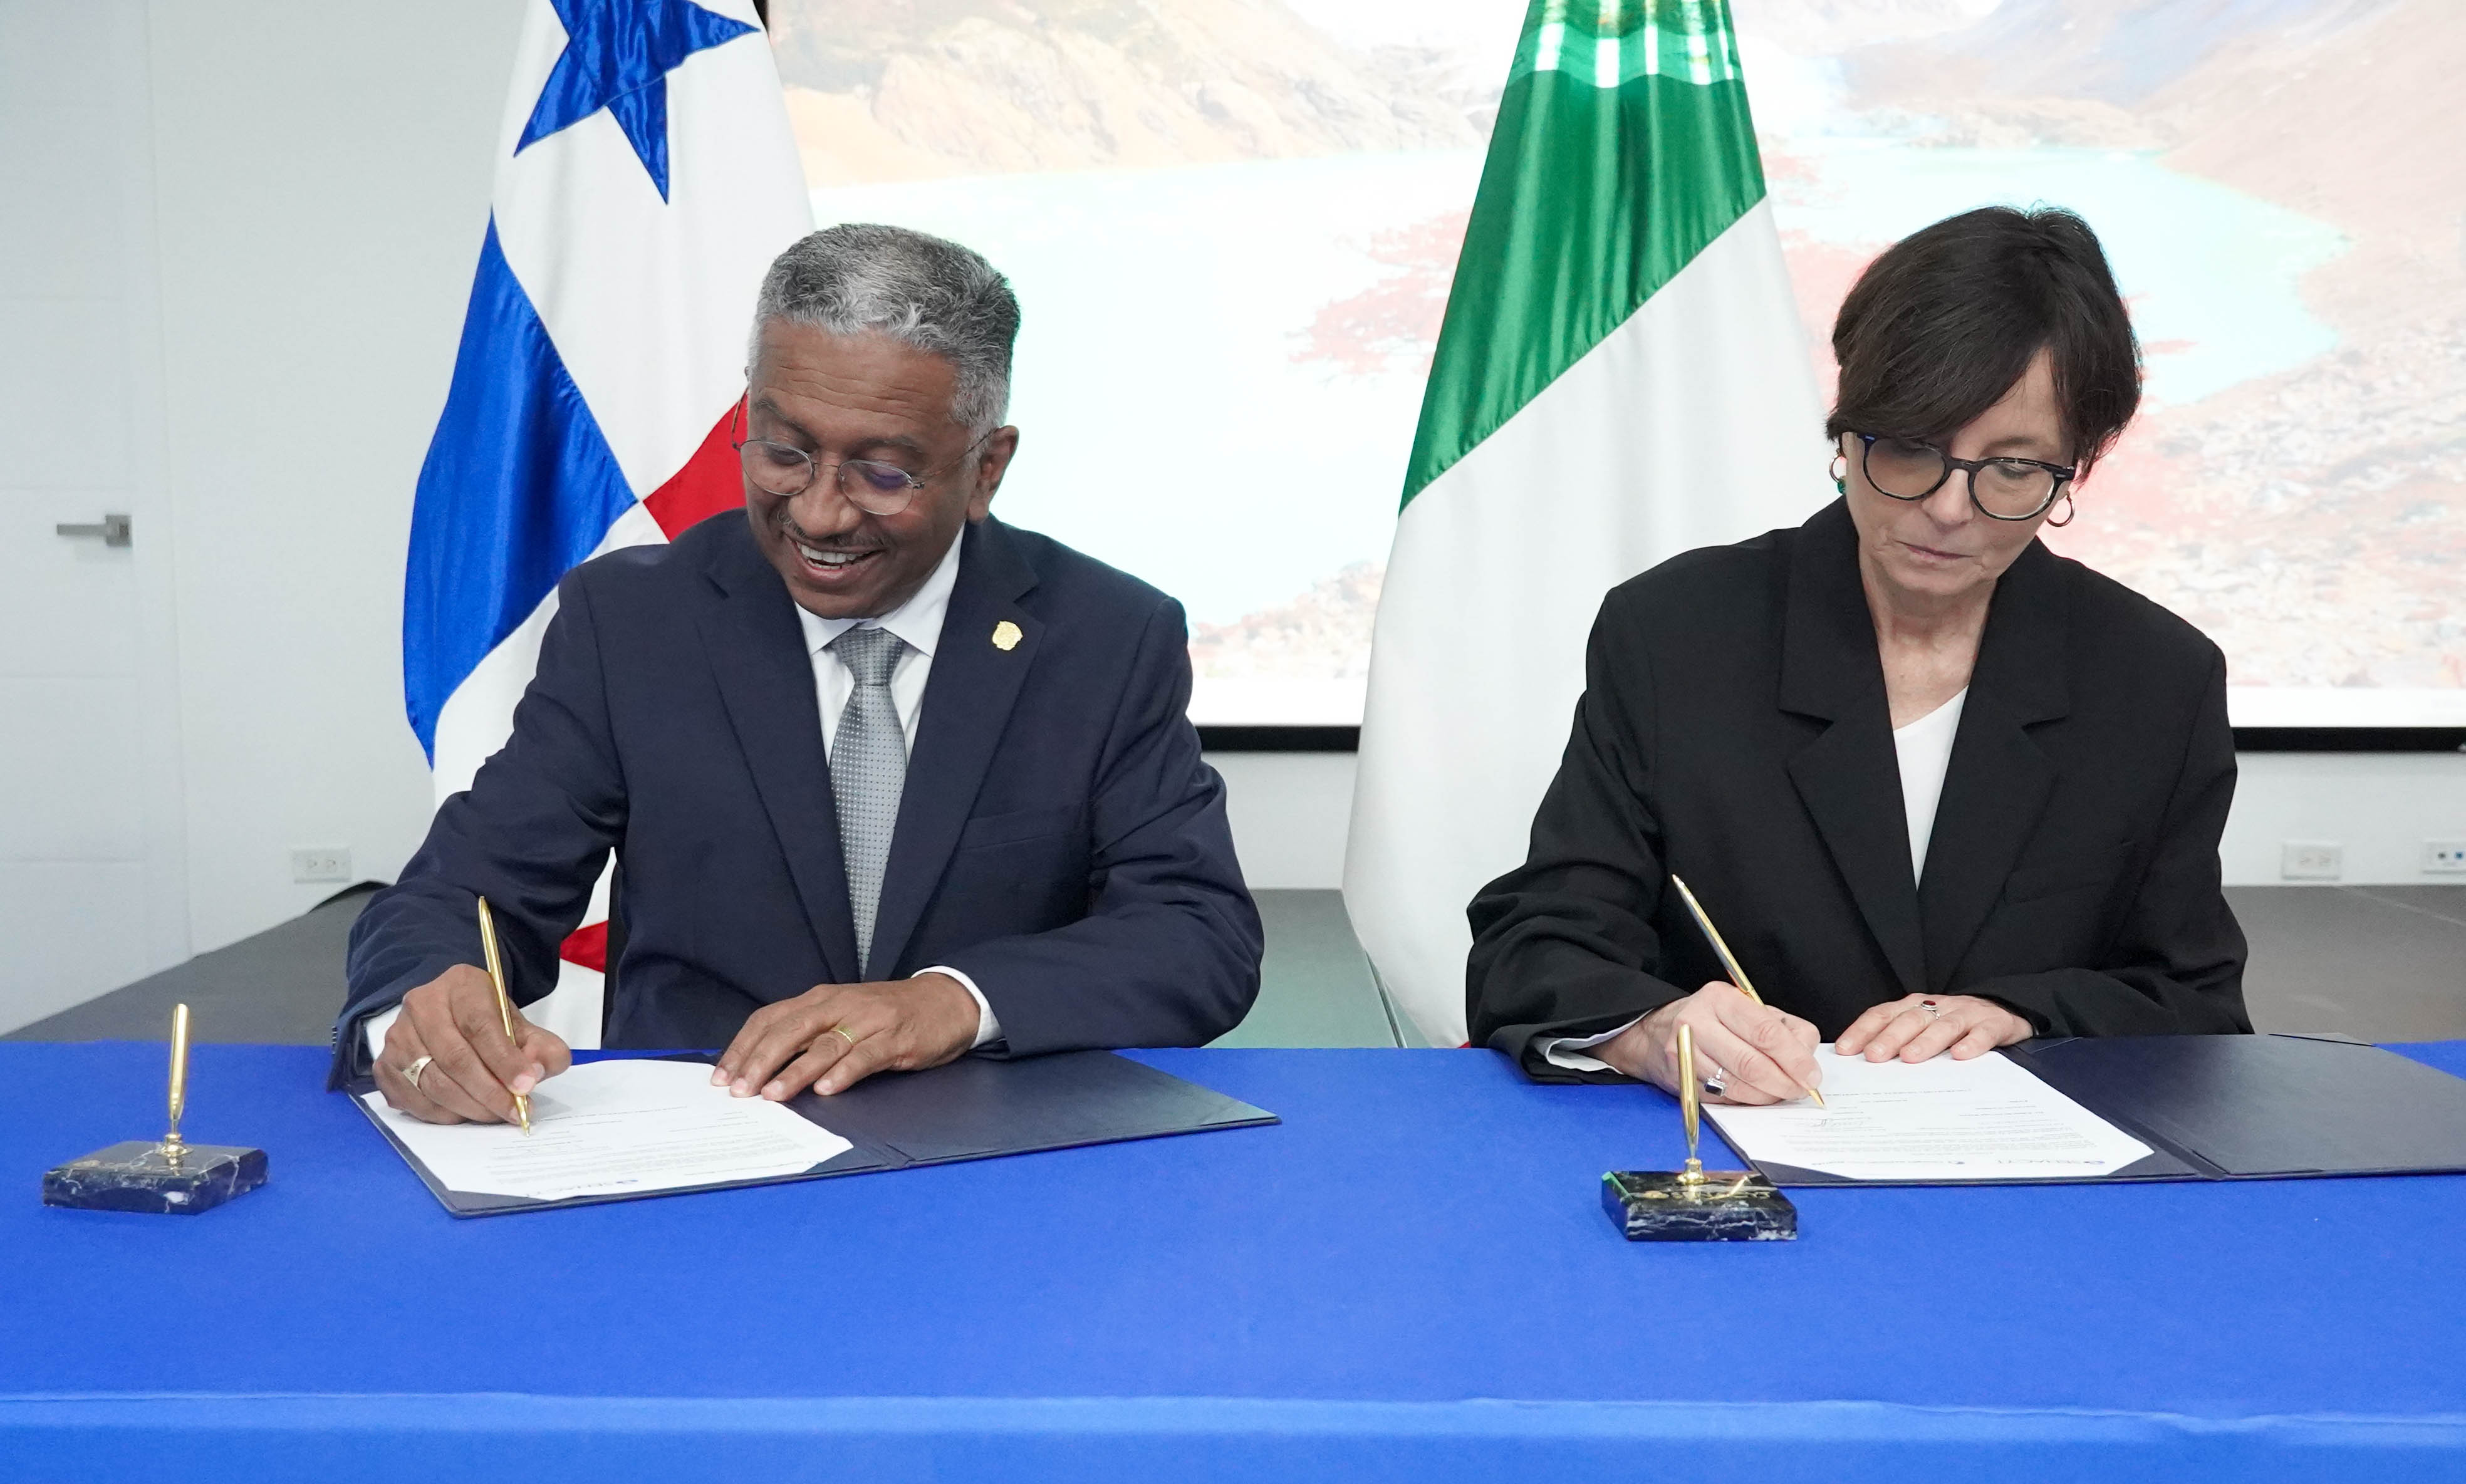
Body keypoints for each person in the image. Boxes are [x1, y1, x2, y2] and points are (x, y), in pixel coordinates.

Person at [334, 224, 1262, 1122]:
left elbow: (1196, 936)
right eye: (785, 452)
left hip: (998, 1159)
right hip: (704, 1154)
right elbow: (466, 894)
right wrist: (423, 1011)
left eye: (883, 475)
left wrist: (950, 1002)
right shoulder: (634, 622)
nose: (819, 515)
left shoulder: (1106, 635)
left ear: (987, 469)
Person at [1465, 205, 2250, 1104]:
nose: (1950, 509)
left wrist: (2027, 1013)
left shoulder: (2154, 678)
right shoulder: (1678, 632)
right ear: (1845, 432)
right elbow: (1538, 940)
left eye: (2012, 468)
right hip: (1731, 1162)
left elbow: (2194, 1004)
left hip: (2031, 1191)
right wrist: (1650, 1030)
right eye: (1912, 450)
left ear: (2079, 465)